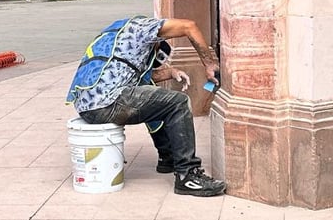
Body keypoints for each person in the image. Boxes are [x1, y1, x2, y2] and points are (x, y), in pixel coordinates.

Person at [66, 16, 226, 197]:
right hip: (107, 101)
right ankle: (187, 175)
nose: (154, 65)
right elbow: (189, 26)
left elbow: (136, 74)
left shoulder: (118, 35)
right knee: (177, 103)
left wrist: (172, 72)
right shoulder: (145, 28)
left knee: (157, 101)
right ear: (157, 40)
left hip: (88, 105)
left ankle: (168, 158)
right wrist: (210, 64)